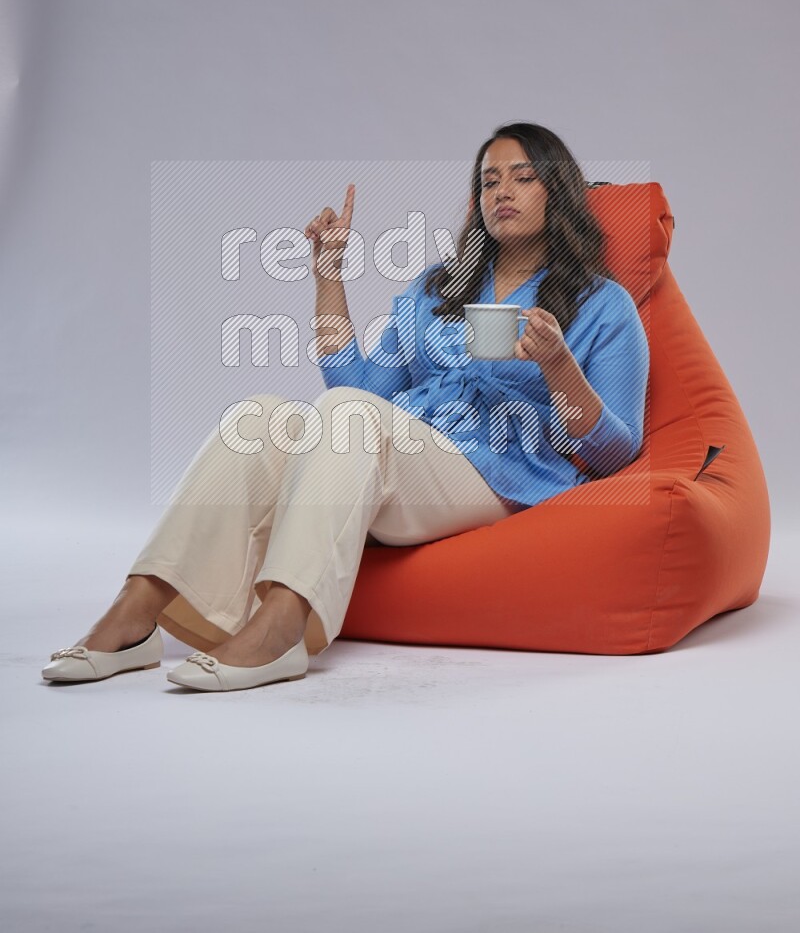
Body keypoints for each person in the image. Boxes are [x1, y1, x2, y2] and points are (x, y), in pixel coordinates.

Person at [41, 122, 649, 692]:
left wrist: (558, 364)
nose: (501, 193)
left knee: (350, 415)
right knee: (259, 417)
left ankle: (282, 628)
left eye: (522, 177)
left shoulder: (604, 304)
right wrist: (328, 275)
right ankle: (138, 610)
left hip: (499, 472)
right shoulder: (438, 287)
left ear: (557, 192)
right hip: (405, 452)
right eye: (489, 181)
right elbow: (357, 385)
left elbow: (617, 452)